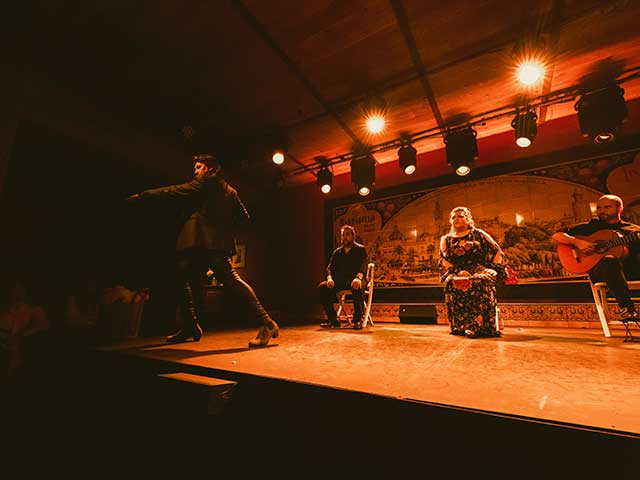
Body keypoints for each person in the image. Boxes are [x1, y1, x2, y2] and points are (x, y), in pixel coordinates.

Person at [127, 154, 279, 347]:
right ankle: (191, 325)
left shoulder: (204, 182)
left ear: (210, 169)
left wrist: (143, 195)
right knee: (208, 278)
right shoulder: (230, 191)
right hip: (214, 243)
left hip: (199, 241)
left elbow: (173, 191)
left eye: (199, 167)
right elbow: (243, 217)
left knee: (183, 277)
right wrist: (221, 225)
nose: (195, 171)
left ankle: (266, 323)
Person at [552, 194, 640, 322]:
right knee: (609, 260)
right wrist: (578, 242)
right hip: (601, 272)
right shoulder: (590, 226)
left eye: (607, 207)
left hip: (629, 272)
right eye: (599, 208)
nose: (602, 211)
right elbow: (557, 236)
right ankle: (627, 309)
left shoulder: (633, 230)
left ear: (620, 209)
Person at [439, 207, 503, 338]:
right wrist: (458, 271)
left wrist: (493, 268)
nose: (456, 219)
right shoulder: (446, 239)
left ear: (468, 219)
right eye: (453, 217)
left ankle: (480, 326)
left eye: (460, 216)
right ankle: (460, 326)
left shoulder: (479, 234)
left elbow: (497, 251)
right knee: (451, 281)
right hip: (457, 271)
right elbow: (443, 260)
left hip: (479, 269)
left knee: (480, 280)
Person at [318, 225, 368, 330]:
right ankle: (333, 319)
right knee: (322, 287)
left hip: (356, 278)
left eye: (347, 235)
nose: (345, 237)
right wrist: (329, 278)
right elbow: (330, 268)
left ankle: (357, 320)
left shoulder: (360, 249)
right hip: (341, 280)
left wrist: (358, 278)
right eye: (343, 235)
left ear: (353, 236)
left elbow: (363, 266)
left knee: (357, 286)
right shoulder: (337, 252)